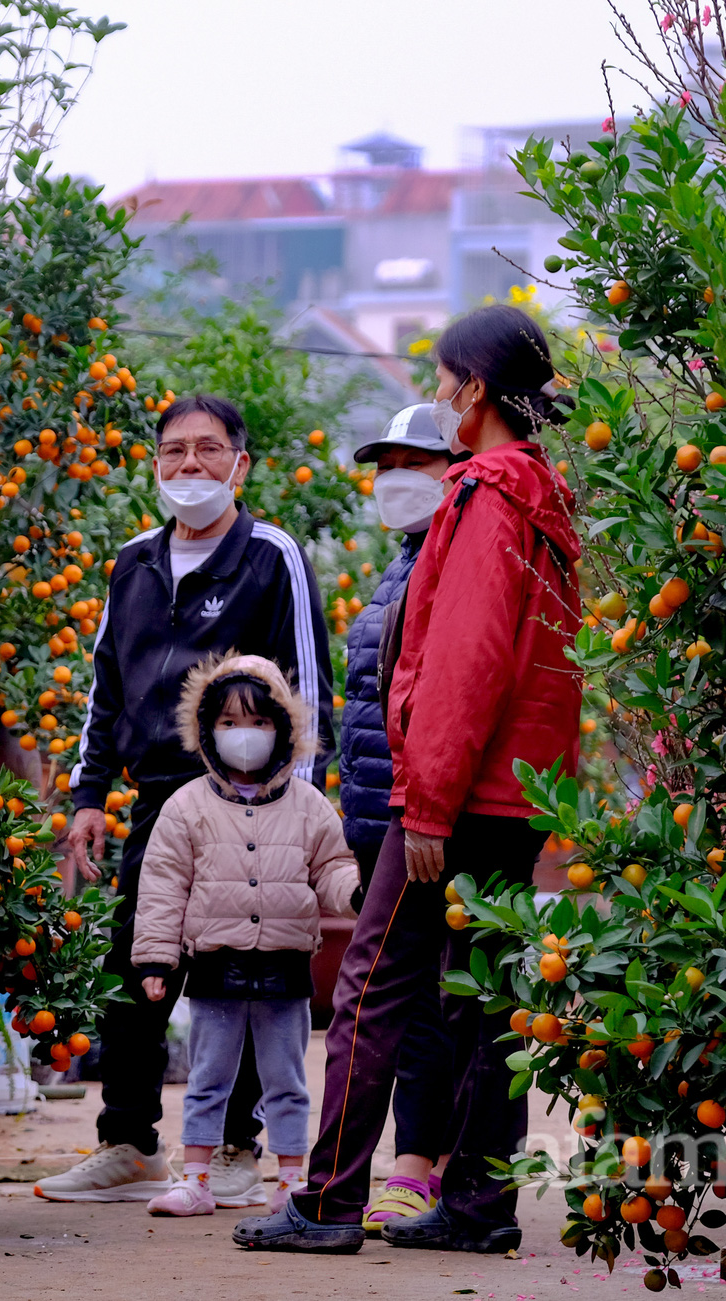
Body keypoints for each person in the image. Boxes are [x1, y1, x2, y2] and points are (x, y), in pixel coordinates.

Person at [233, 304, 583, 1254]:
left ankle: (329, 1201)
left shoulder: (483, 495)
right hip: (519, 795)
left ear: (473, 391)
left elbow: (467, 662)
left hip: (457, 794)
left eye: (441, 382)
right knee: (480, 998)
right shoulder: (547, 500)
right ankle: (477, 1207)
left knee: (372, 986)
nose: (437, 397)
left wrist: (426, 803)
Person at [34, 393, 337, 1207]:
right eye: (174, 452)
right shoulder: (133, 561)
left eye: (208, 450)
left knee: (243, 970)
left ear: (240, 464)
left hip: (252, 798)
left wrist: (296, 815)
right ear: (156, 465)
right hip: (158, 801)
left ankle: (238, 1147)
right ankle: (129, 1144)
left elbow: (310, 687)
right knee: (137, 961)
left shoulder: (271, 556)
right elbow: (106, 686)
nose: (190, 465)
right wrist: (89, 793)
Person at [130, 653, 358, 1218]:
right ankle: (198, 1180)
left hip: (285, 966)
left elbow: (332, 866)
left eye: (258, 722)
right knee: (208, 1077)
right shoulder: (186, 806)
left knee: (286, 1080)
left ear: (283, 729)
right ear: (207, 731)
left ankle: (288, 1184)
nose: (245, 736)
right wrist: (156, 961)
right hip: (214, 964)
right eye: (229, 723)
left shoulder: (309, 806)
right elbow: (162, 884)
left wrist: (355, 891)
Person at [338, 403, 460, 1233]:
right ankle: (417, 1164)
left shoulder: (450, 561)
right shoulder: (404, 563)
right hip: (378, 809)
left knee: (419, 995)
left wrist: (422, 806)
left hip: (422, 811)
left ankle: (420, 1163)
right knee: (410, 996)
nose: (395, 481)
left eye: (416, 463)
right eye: (385, 466)